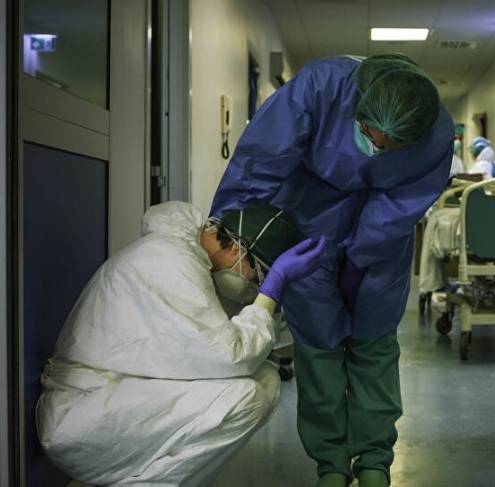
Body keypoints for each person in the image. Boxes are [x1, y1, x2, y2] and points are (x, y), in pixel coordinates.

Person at [211, 53, 453, 487]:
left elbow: (401, 204)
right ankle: (331, 463)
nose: (373, 150)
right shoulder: (322, 87)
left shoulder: (435, 133)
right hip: (306, 212)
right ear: (358, 107)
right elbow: (261, 158)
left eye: (388, 148)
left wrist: (360, 258)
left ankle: (375, 460)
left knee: (374, 340)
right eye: (368, 135)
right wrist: (231, 231)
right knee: (318, 341)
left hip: (383, 231)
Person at [36, 201, 327, 486]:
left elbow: (223, 343)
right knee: (244, 398)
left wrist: (270, 298)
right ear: (238, 249)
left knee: (265, 380)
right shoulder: (172, 262)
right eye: (258, 276)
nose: (254, 287)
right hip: (80, 415)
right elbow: (231, 355)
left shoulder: (188, 258)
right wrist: (271, 291)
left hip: (112, 394)